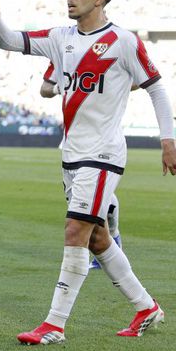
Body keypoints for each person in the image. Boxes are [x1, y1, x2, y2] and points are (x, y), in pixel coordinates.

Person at [0, 0, 176, 345]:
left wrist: (167, 140)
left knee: (75, 230)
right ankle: (146, 307)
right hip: (72, 155)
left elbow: (156, 88)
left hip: (103, 154)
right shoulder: (61, 38)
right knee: (97, 239)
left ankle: (54, 325)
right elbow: (7, 40)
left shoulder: (123, 41)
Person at [41, 62, 124, 270]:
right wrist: (62, 87)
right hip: (74, 138)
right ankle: (111, 240)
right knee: (79, 198)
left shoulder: (110, 51)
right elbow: (44, 89)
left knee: (94, 197)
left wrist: (112, 85)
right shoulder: (61, 53)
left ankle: (110, 241)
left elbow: (138, 81)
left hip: (101, 136)